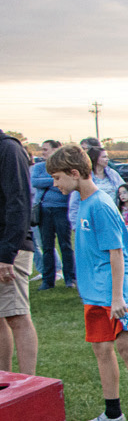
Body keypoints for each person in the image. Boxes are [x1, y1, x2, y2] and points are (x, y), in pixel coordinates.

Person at [47, 145, 128, 421]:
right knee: (101, 348)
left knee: (126, 348)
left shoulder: (100, 204)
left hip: (114, 292)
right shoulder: (83, 202)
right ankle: (113, 413)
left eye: (58, 177)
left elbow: (117, 254)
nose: (55, 184)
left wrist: (118, 297)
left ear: (75, 173)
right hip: (95, 292)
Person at [0, 129, 39, 375]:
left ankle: (28, 386)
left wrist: (6, 254)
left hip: (10, 248)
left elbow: (19, 202)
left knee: (17, 315)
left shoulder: (8, 148)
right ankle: (4, 382)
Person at [30, 139, 75, 290]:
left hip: (62, 209)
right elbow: (35, 182)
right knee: (47, 246)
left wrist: (50, 181)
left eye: (45, 149)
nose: (43, 152)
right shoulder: (39, 167)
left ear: (57, 150)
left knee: (65, 245)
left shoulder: (66, 167)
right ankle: (48, 280)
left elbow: (68, 186)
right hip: (44, 210)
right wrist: (55, 180)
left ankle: (70, 278)